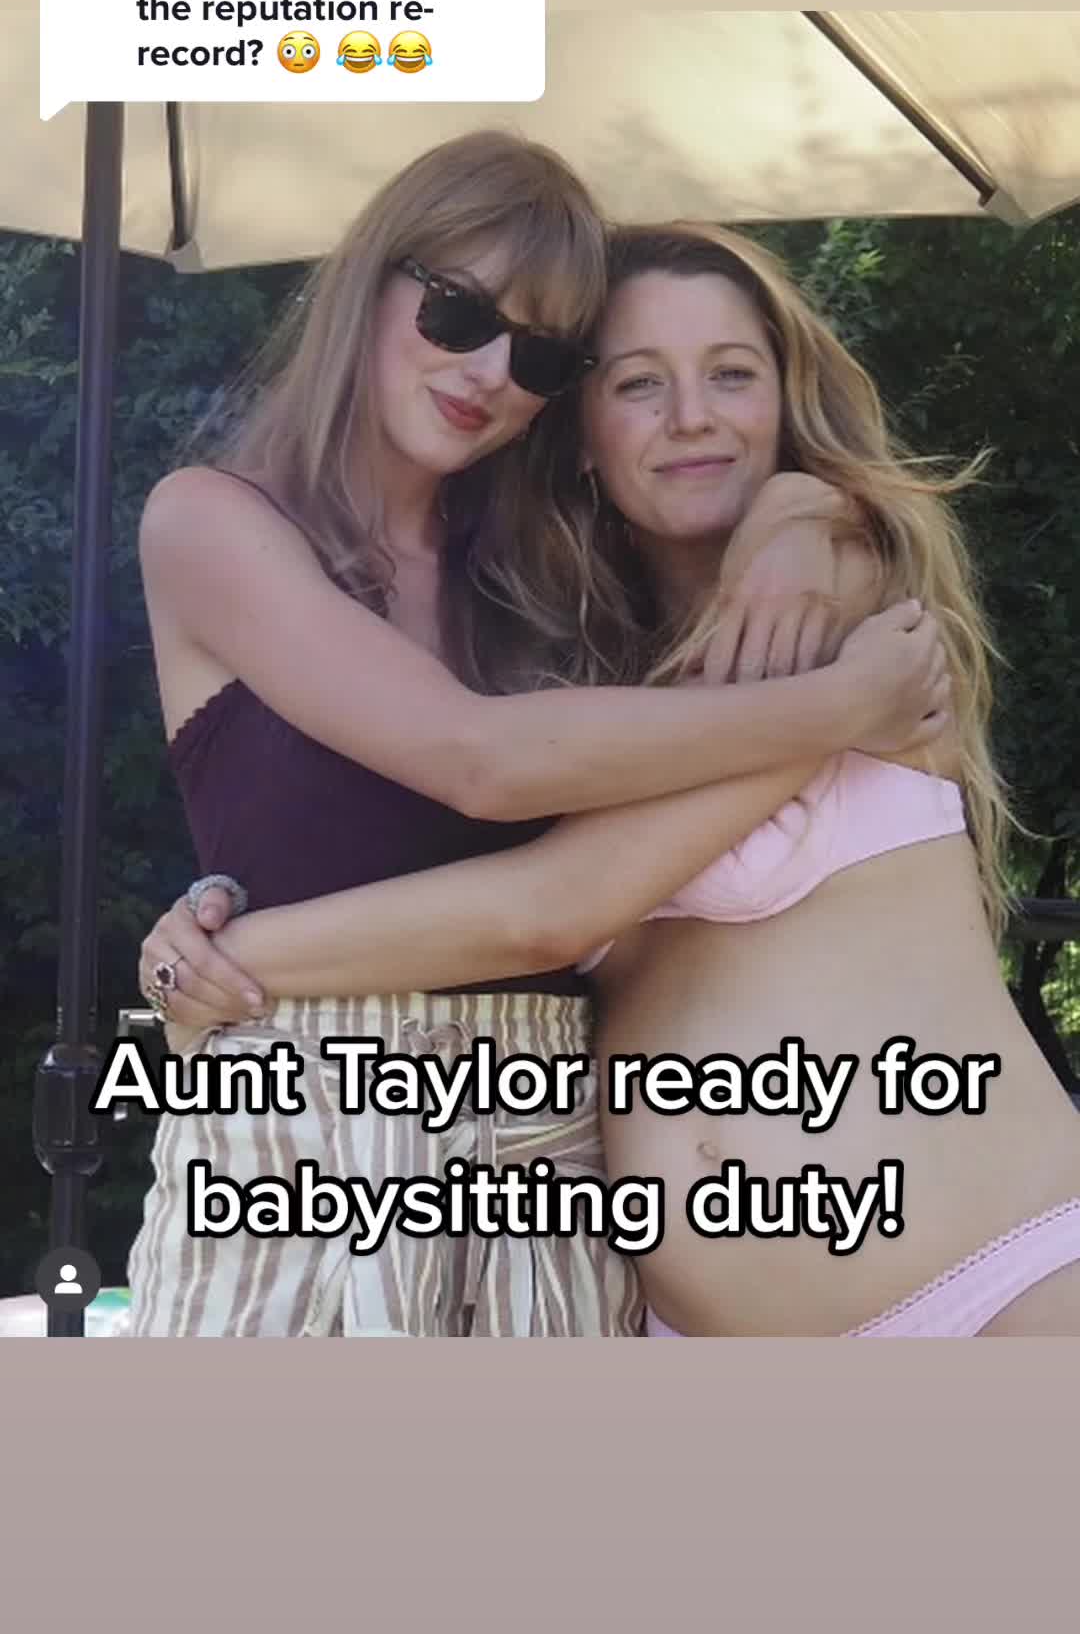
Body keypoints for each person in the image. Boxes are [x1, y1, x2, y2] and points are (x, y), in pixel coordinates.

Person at [129, 140, 943, 1338]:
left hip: (544, 1150)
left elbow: (740, 501)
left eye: (544, 355)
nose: (492, 372)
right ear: (370, 279)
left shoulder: (546, 573)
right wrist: (839, 709)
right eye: (461, 313)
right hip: (298, 1140)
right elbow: (480, 760)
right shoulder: (212, 521)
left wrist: (804, 511)